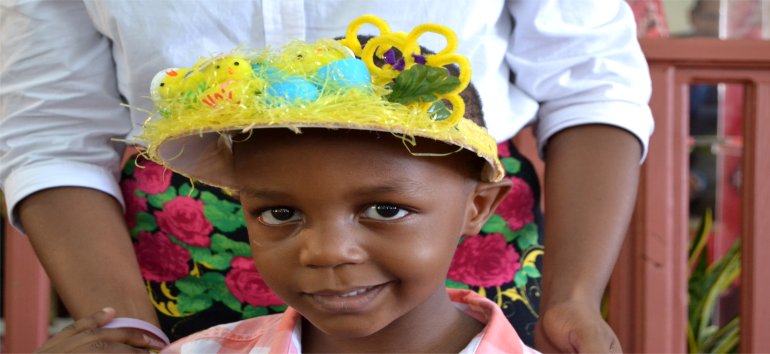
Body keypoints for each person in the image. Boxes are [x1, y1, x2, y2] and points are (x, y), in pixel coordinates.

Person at [1, 1, 652, 352]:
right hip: (178, 248)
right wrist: (126, 332)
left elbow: (592, 79)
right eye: (283, 213)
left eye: (378, 210)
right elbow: (49, 123)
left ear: (480, 204)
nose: (327, 251)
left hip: (444, 198)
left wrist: (573, 296)